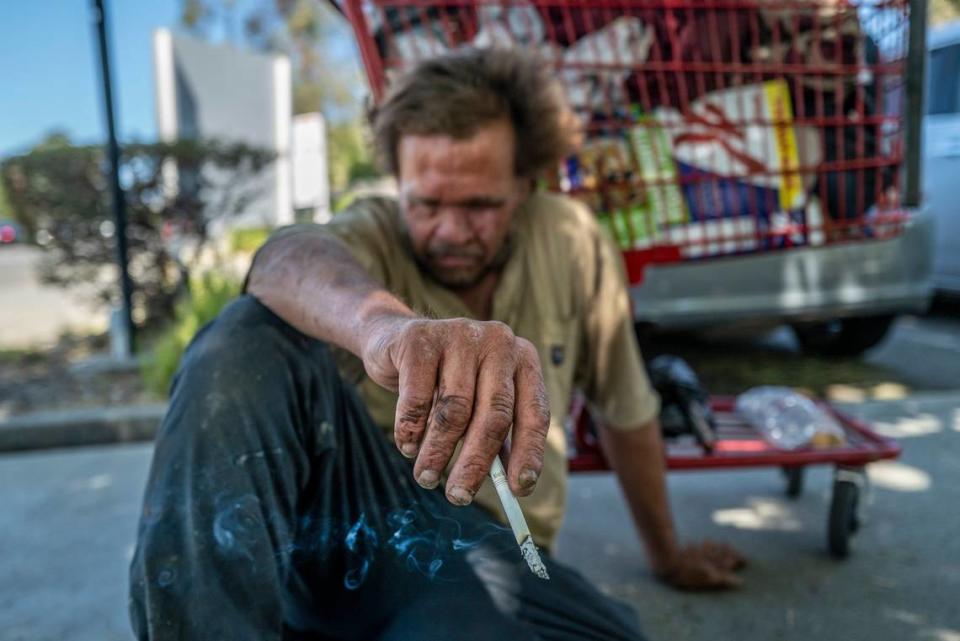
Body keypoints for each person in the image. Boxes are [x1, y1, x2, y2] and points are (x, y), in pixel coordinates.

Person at [129, 47, 745, 640]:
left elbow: (627, 411)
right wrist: (385, 327)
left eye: (480, 205)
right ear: (399, 183)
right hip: (361, 518)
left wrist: (667, 557)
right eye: (426, 204)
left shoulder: (574, 242)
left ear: (527, 183)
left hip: (501, 554)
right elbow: (285, 259)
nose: (451, 231)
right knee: (241, 337)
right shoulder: (372, 229)